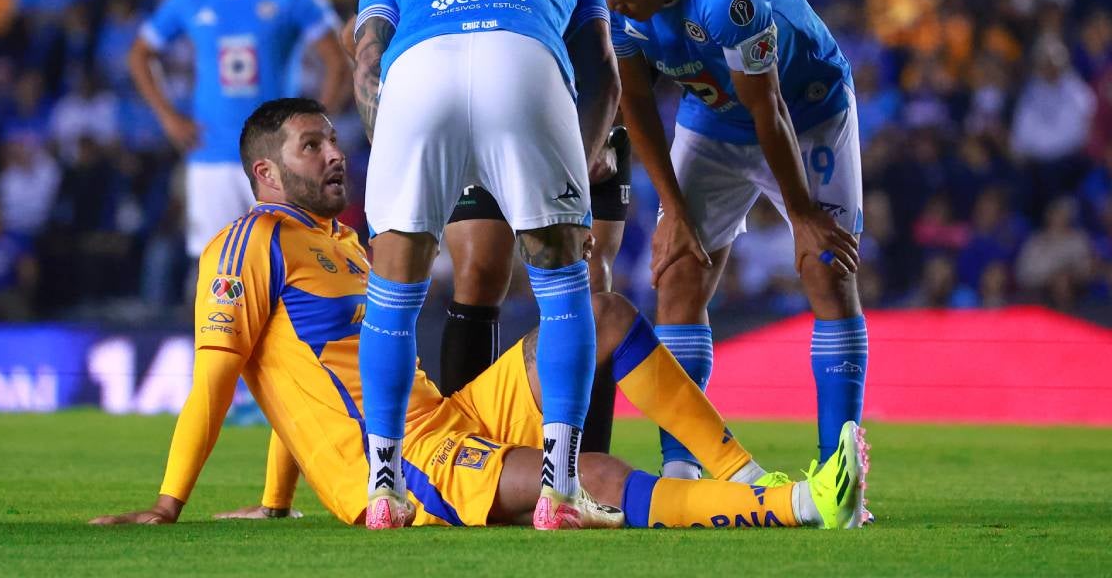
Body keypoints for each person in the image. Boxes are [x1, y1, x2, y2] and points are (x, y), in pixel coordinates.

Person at [88, 99, 868, 531]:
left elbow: (308, 383)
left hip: (446, 417)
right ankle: (800, 506)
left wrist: (276, 502)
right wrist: (167, 505)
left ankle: (747, 473)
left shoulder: (346, 244)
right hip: (399, 471)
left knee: (607, 313)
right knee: (585, 475)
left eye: (331, 139)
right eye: (309, 146)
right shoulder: (244, 242)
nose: (334, 154)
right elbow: (222, 379)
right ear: (265, 170)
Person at [584, 0, 868, 491]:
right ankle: (684, 470)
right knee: (679, 271)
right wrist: (675, 213)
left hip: (809, 113)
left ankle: (841, 472)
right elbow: (634, 101)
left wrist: (803, 214)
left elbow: (769, 110)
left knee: (826, 268)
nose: (615, 6)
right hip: (712, 119)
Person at [352, 0, 621, 529]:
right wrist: (578, 166)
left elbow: (367, 60)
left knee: (392, 298)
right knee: (563, 291)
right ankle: (560, 489)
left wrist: (392, 157)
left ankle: (383, 490)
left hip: (417, 73)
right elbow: (603, 68)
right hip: (523, 63)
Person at [128, 0, 349, 259]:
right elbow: (140, 53)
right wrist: (168, 117)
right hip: (211, 153)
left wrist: (316, 135)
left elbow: (337, 60)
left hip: (277, 157)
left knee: (288, 263)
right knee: (216, 266)